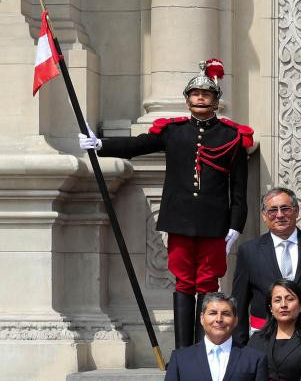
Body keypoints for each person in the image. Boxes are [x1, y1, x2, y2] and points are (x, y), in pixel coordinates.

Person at [84, 59, 253, 350]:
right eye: (195, 94)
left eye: (206, 94)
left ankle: (206, 349)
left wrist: (236, 226)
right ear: (187, 100)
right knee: (184, 283)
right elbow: (137, 146)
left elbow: (239, 190)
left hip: (215, 224)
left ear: (215, 100)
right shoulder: (173, 131)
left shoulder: (232, 137)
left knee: (208, 285)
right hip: (180, 220)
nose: (200, 98)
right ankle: (183, 350)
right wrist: (101, 144)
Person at [232, 187, 301, 342]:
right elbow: (239, 304)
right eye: (273, 210)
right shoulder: (249, 250)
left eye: (285, 209)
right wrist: (240, 348)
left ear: (297, 211)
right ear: (264, 216)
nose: (279, 215)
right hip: (266, 339)